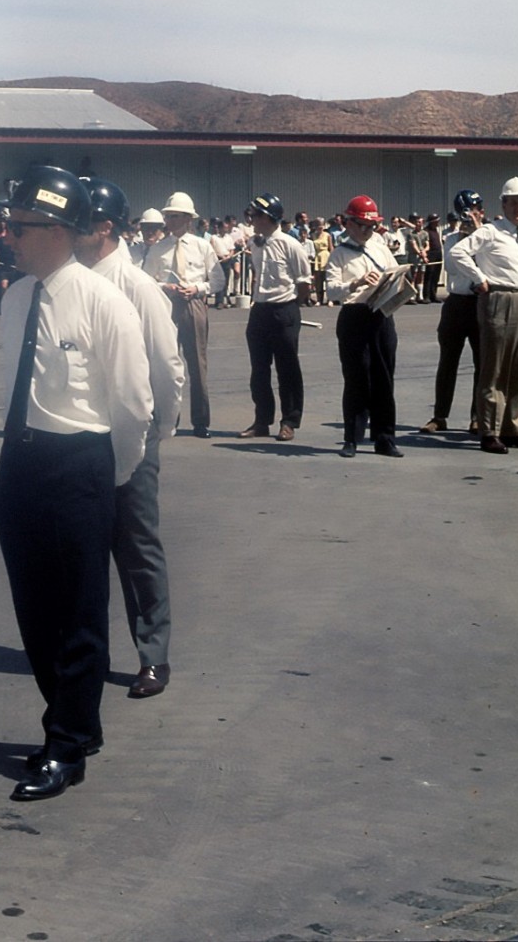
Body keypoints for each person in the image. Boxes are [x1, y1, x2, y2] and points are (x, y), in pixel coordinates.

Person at [0, 166, 152, 801]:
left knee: (79, 611)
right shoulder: (13, 300)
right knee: (34, 609)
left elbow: (134, 403)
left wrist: (111, 475)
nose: (9, 237)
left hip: (80, 463)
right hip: (21, 462)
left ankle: (66, 745)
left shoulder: (102, 300)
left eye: (21, 227)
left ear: (59, 232)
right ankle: (75, 722)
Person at [75, 178, 183, 701]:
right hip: (82, 431)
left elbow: (166, 363)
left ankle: (153, 653)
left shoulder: (137, 286)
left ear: (105, 227)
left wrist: (160, 428)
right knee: (84, 549)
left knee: (137, 545)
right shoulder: (68, 280)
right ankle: (88, 651)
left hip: (131, 429)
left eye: (81, 222)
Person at [447, 177, 518, 454]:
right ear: (504, 204)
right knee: (494, 368)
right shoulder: (490, 231)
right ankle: (489, 430)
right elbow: (458, 251)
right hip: (498, 298)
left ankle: (512, 427)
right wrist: (479, 278)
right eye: (514, 202)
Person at [325, 195, 403, 458]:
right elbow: (331, 290)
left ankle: (384, 438)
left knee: (384, 378)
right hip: (354, 316)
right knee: (356, 378)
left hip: (381, 314)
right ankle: (351, 438)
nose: (367, 231)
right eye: (362, 225)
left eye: (372, 226)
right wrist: (355, 283)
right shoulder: (339, 253)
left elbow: (394, 273)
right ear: (348, 223)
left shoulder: (381, 248)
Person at [142, 191, 224, 437]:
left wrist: (198, 288)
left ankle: (200, 421)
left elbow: (218, 279)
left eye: (176, 216)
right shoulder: (158, 249)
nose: (170, 220)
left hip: (193, 304)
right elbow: (145, 280)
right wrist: (164, 287)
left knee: (197, 364)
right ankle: (169, 418)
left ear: (188, 219)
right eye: (168, 216)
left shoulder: (201, 246)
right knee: (166, 363)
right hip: (166, 304)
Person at [239, 193, 311, 442]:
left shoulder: (291, 245)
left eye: (256, 215)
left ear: (269, 217)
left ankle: (289, 421)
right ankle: (262, 421)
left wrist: (290, 308)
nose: (252, 219)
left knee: (287, 368)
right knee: (259, 370)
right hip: (260, 311)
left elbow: (304, 282)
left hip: (284, 309)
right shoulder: (254, 243)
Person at [420, 190, 485, 435]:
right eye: (467, 213)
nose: (471, 216)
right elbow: (452, 265)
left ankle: (477, 416)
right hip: (457, 302)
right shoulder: (451, 239)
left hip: (480, 302)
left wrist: (478, 234)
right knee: (448, 361)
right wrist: (465, 239)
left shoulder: (488, 236)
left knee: (482, 362)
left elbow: (486, 263)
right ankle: (440, 415)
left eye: (476, 211)